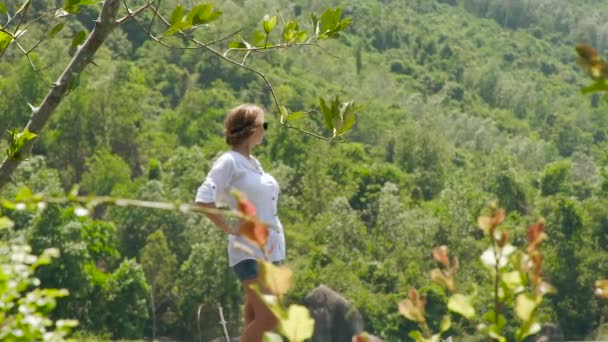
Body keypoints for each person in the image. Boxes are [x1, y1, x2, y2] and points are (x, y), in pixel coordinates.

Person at [195, 104, 285, 342]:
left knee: (256, 319)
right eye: (263, 125)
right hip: (249, 252)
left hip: (271, 251)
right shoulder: (229, 162)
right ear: (252, 129)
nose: (266, 130)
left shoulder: (253, 164)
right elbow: (204, 200)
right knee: (270, 318)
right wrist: (230, 228)